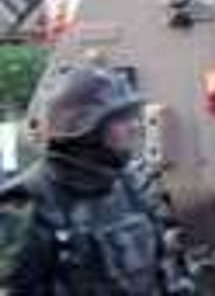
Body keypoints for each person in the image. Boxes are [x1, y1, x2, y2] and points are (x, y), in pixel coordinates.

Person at [0, 66, 193, 294]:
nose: (135, 126)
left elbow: (168, 269)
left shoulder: (132, 184)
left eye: (133, 116)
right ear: (84, 128)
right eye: (121, 120)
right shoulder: (27, 203)